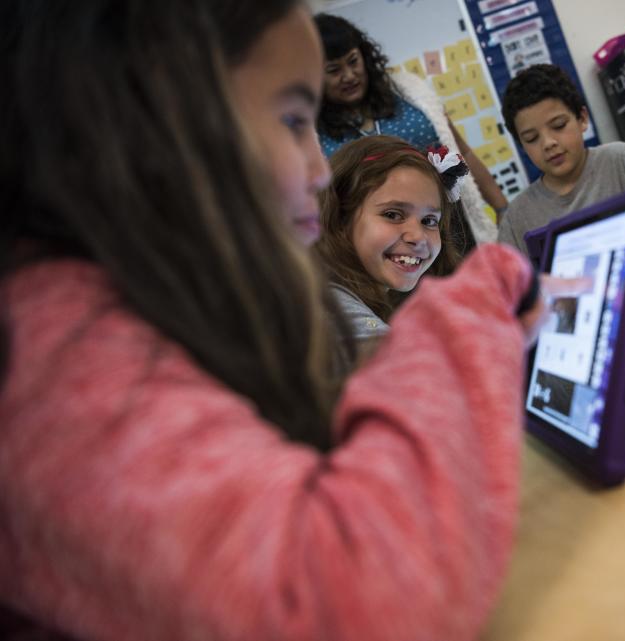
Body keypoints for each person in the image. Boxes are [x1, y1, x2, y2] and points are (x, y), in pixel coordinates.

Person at [0, 2, 581, 639]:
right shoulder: (53, 355)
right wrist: (465, 315)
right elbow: (358, 605)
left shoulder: (156, 304)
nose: (315, 170)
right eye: (290, 119)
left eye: (429, 221)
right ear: (149, 118)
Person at [313, 13, 506, 245]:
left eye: (353, 61)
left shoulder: (411, 91)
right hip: (387, 253)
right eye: (334, 70)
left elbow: (464, 154)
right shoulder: (313, 135)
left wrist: (502, 208)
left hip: (455, 230)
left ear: (364, 55)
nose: (349, 75)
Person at [497, 64, 625, 257]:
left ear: (582, 119)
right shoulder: (517, 218)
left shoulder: (622, 161)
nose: (548, 143)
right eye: (532, 138)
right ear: (521, 144)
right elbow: (509, 288)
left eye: (558, 125)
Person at [315, 135, 465, 349]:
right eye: (393, 215)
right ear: (340, 218)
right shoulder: (334, 308)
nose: (418, 236)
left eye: (429, 221)